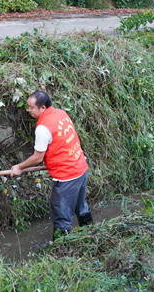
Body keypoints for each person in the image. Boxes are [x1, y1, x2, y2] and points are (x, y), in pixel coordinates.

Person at [11, 91, 93, 238]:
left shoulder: (43, 128)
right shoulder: (61, 113)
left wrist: (19, 167)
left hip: (66, 177)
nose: (28, 110)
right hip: (81, 167)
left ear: (42, 107)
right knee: (81, 207)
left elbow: (37, 158)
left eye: (31, 107)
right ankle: (93, 237)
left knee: (61, 218)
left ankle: (60, 255)